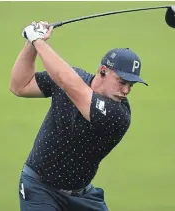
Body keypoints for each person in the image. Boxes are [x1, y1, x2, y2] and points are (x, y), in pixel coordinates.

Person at [10, 21, 148, 211]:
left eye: (131, 85)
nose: (126, 90)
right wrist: (30, 44)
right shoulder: (73, 78)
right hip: (39, 188)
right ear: (102, 71)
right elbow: (20, 86)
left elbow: (68, 83)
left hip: (84, 197)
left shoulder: (118, 116)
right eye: (122, 81)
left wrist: (38, 41)